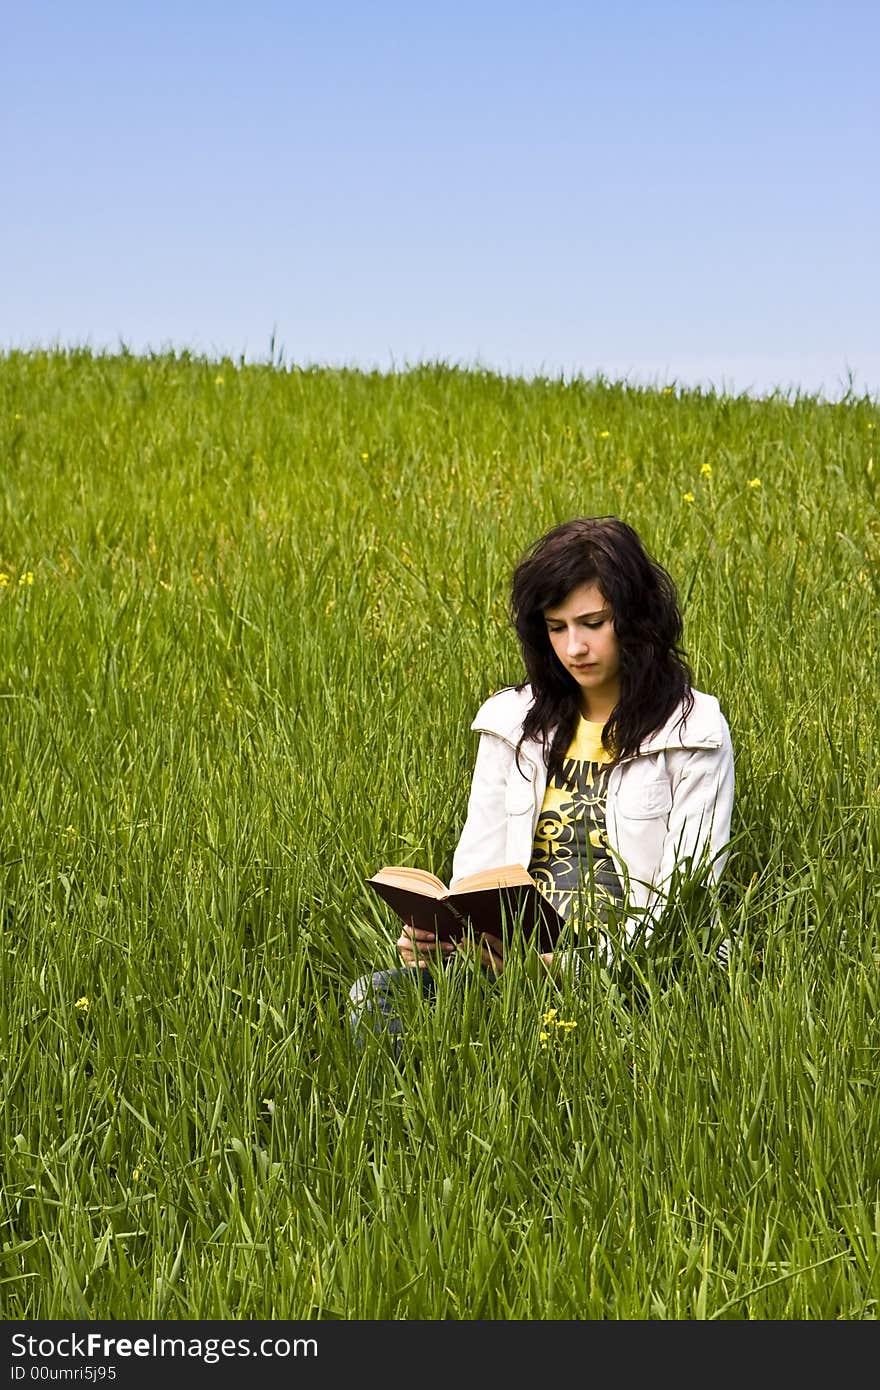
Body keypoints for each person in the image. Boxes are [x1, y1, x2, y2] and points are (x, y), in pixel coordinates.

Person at [349, 516, 735, 1051]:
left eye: (593, 623)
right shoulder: (510, 724)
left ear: (636, 619)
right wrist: (439, 936)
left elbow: (682, 908)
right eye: (557, 628)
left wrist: (563, 970)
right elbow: (477, 873)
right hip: (504, 966)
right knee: (376, 995)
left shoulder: (694, 733)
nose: (575, 647)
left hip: (632, 980)